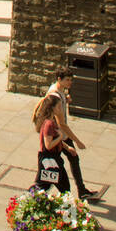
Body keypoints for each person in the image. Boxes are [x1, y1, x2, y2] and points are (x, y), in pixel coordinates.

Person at [44, 69, 99, 201]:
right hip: (57, 136)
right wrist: (77, 141)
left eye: (71, 79)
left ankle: (81, 190)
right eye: (67, 80)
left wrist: (66, 100)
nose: (70, 82)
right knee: (54, 167)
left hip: (59, 135)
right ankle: (42, 193)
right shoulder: (55, 95)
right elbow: (62, 124)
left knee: (70, 160)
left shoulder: (59, 90)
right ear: (59, 79)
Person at [34, 100, 71, 193]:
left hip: (52, 160)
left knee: (43, 186)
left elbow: (54, 141)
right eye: (58, 106)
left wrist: (67, 148)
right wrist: (61, 137)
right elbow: (48, 145)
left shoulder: (51, 121)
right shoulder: (49, 124)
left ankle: (27, 200)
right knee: (63, 187)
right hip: (51, 160)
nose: (61, 109)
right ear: (52, 108)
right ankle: (26, 201)